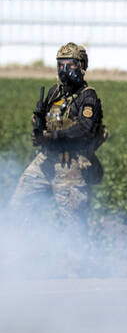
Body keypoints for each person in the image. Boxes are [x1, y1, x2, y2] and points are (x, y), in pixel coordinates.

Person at [9, 42, 107, 271]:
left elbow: (84, 129)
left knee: (73, 222)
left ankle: (79, 273)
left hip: (71, 164)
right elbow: (42, 118)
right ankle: (14, 260)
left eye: (70, 65)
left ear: (81, 66)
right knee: (19, 206)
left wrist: (53, 136)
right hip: (45, 160)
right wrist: (39, 130)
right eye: (60, 65)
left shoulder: (87, 97)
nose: (64, 70)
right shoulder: (55, 92)